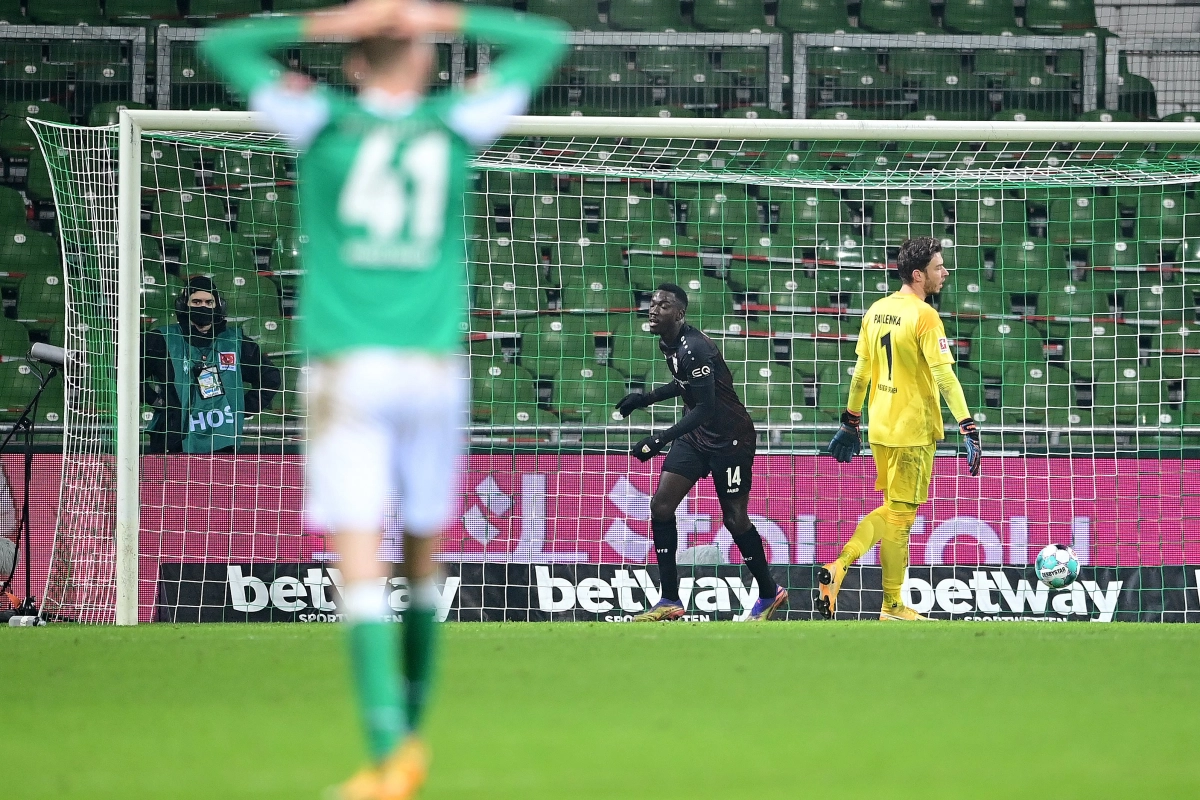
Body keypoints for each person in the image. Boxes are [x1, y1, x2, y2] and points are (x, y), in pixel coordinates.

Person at [203, 2, 566, 797]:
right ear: (428, 59)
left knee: (359, 560)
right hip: (434, 369)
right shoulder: (452, 125)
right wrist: (439, 12)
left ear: (355, 61)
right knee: (425, 552)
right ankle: (412, 727)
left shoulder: (321, 122)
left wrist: (339, 20)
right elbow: (547, 39)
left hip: (347, 369)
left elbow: (223, 42)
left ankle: (388, 750)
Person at [823, 236, 982, 621]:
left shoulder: (876, 310)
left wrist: (850, 421)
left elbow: (861, 372)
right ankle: (890, 604)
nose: (944, 273)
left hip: (879, 427)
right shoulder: (924, 316)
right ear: (917, 274)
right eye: (938, 267)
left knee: (893, 510)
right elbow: (945, 377)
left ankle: (839, 568)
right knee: (901, 518)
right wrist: (968, 425)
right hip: (913, 430)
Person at [615, 283, 788, 622]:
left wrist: (660, 438)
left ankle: (769, 592)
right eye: (653, 303)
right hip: (696, 437)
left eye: (663, 305)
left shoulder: (695, 347)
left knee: (734, 519)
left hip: (731, 440)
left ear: (679, 313)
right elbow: (685, 384)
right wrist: (644, 398)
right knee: (661, 506)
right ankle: (668, 598)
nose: (654, 309)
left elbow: (706, 407)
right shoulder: (671, 343)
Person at [141, 276, 281, 454]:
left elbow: (271, 378)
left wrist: (242, 407)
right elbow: (124, 372)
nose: (203, 306)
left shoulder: (237, 342)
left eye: (209, 302)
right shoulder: (160, 340)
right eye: (196, 301)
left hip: (222, 444)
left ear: (218, 306)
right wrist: (154, 399)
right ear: (184, 305)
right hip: (171, 444)